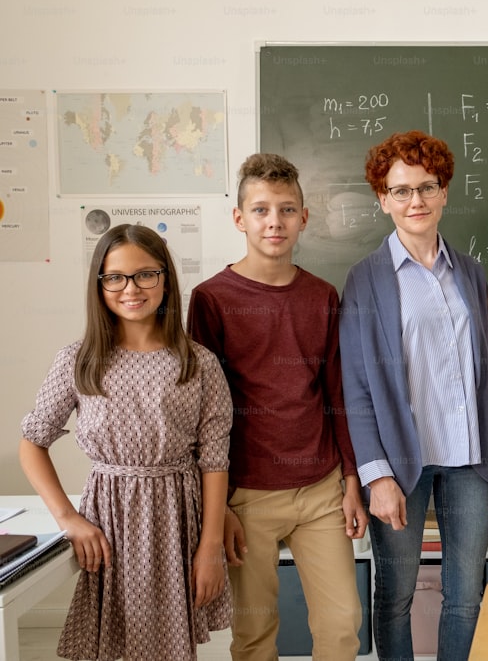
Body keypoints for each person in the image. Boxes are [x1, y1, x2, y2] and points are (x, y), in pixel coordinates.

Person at [340, 130, 488, 661]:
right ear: (382, 199)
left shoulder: (469, 271)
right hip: (401, 466)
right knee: (394, 595)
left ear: (444, 193)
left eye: (426, 187)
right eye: (400, 190)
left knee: (466, 596)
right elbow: (355, 385)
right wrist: (376, 476)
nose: (414, 201)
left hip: (468, 462)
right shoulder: (366, 279)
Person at [20, 224, 232, 660]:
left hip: (178, 520)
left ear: (165, 279)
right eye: (115, 277)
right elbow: (32, 442)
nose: (130, 288)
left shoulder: (198, 363)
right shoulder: (80, 361)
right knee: (117, 642)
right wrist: (67, 517)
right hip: (110, 521)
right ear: (99, 284)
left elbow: (214, 460)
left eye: (144, 275)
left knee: (170, 646)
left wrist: (210, 546)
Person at [187, 153, 365, 660]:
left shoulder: (322, 296)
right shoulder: (211, 299)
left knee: (343, 623)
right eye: (261, 210)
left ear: (304, 218)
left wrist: (351, 481)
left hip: (321, 489)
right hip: (247, 495)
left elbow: (338, 393)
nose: (274, 221)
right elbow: (204, 413)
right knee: (255, 632)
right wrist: (217, 507)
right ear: (240, 218)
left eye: (287, 210)